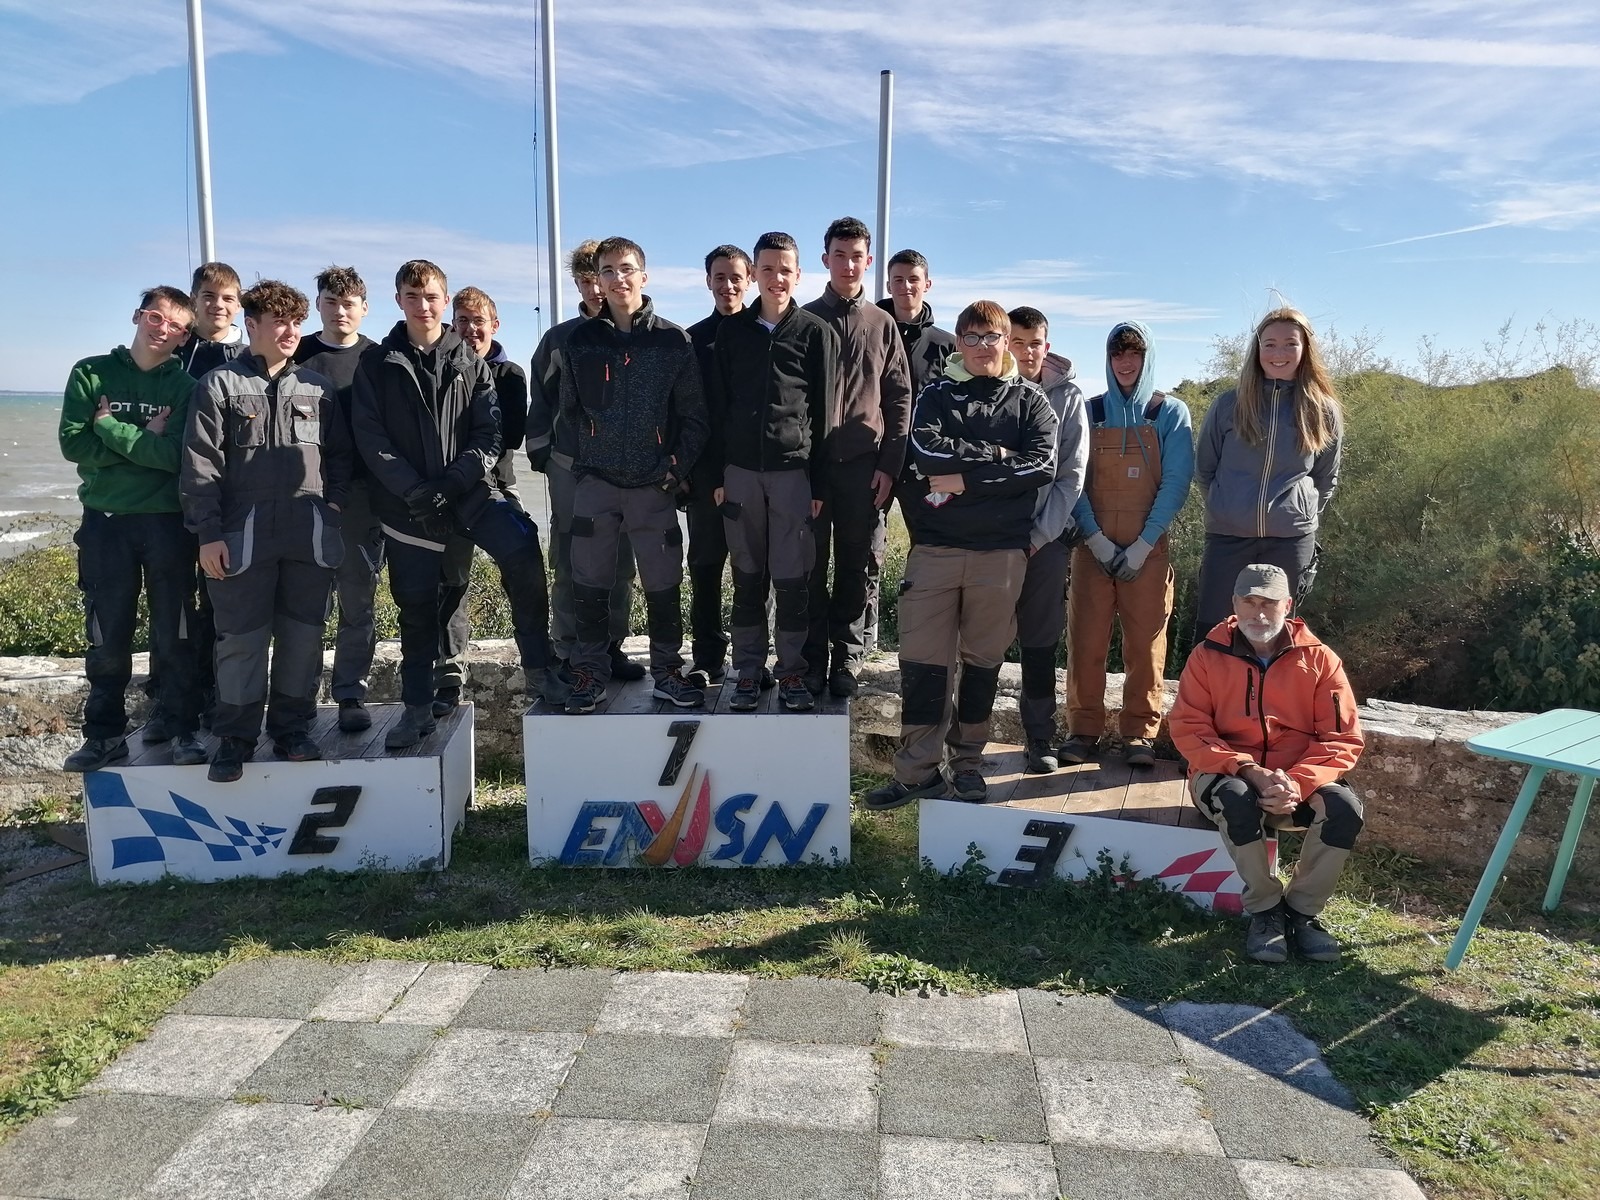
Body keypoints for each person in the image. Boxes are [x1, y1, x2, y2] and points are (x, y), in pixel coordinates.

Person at [351, 259, 556, 749]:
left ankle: (541, 670)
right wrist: (415, 490)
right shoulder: (376, 364)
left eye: (432, 296)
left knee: (523, 549)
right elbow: (370, 436)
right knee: (418, 607)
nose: (424, 305)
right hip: (408, 505)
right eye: (413, 296)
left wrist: (450, 483)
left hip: (468, 492)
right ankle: (417, 707)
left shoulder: (471, 361)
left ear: (446, 301)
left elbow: (489, 434)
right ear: (399, 301)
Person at [864, 301, 1057, 810]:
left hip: (1000, 556)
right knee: (924, 666)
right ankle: (916, 772)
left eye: (991, 337)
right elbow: (927, 456)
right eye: (970, 338)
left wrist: (967, 477)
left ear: (1006, 341)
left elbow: (1039, 467)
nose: (981, 348)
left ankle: (967, 763)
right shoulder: (935, 397)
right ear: (959, 343)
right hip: (935, 551)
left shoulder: (1032, 402)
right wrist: (999, 459)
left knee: (981, 665)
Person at [181, 280, 351, 782]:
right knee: (240, 641)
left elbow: (340, 458)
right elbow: (199, 467)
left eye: (297, 322)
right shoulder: (219, 385)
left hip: (308, 535)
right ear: (250, 326)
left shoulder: (318, 389)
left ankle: (292, 730)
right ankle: (234, 740)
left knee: (304, 637)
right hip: (240, 537)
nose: (291, 331)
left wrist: (333, 506)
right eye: (279, 321)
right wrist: (207, 534)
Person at [1168, 563, 1364, 963]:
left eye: (1269, 603)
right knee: (1238, 799)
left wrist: (1296, 782)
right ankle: (1265, 910)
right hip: (1225, 775)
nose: (1259, 613)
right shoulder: (1206, 657)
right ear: (1235, 603)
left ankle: (1301, 913)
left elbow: (1342, 738)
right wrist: (1248, 769)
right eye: (1250, 601)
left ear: (1288, 605)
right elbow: (1189, 729)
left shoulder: (1322, 660)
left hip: (1295, 783)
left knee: (1345, 809)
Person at [558, 236, 709, 714]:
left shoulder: (673, 340)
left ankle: (667, 670)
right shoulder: (581, 341)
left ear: (644, 276)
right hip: (597, 485)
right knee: (590, 582)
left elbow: (695, 417)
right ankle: (590, 672)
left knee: (662, 582)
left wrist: (674, 469)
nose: (617, 278)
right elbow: (569, 411)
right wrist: (586, 463)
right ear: (597, 280)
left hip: (652, 486)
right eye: (607, 270)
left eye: (626, 269)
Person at [59, 286, 207, 772]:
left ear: (185, 338)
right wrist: (146, 439)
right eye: (155, 317)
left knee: (176, 633)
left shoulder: (184, 389)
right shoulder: (91, 371)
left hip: (167, 523)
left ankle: (183, 728)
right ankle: (103, 736)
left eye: (176, 326)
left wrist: (111, 428)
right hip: (105, 522)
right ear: (138, 316)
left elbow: (175, 460)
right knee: (107, 634)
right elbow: (73, 445)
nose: (162, 329)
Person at [707, 232, 837, 712]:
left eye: (786, 269)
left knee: (792, 579)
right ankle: (747, 671)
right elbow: (717, 408)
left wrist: (819, 484)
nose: (776, 278)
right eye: (768, 269)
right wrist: (718, 477)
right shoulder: (732, 332)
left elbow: (825, 414)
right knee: (746, 576)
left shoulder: (815, 332)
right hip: (740, 473)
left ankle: (793, 673)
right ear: (755, 274)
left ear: (798, 274)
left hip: (793, 477)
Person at [1062, 321, 1193, 768]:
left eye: (1134, 353)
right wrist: (1094, 538)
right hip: (1090, 549)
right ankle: (1082, 730)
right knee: (1086, 642)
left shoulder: (1169, 413)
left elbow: (1176, 483)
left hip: (1148, 551)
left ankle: (1139, 732)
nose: (1125, 361)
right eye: (1117, 352)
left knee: (1145, 644)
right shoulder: (1088, 410)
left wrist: (1142, 544)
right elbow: (1073, 480)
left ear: (1147, 357)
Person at [802, 216, 913, 697]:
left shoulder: (882, 324)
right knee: (806, 567)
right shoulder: (803, 321)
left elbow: (900, 400)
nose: (848, 264)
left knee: (854, 565)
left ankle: (845, 659)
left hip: (864, 470)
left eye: (857, 256)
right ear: (825, 259)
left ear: (868, 261)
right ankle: (807, 660)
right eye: (839, 255)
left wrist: (889, 466)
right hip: (810, 472)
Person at [528, 242, 643, 685]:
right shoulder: (559, 338)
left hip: (626, 470)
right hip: (571, 466)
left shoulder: (637, 333)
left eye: (605, 276)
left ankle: (611, 647)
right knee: (571, 555)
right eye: (589, 279)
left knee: (620, 557)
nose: (598, 287)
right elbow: (540, 399)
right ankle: (568, 647)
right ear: (578, 282)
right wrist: (544, 453)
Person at [1191, 306, 1342, 640]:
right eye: (1269, 343)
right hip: (1228, 538)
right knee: (1216, 633)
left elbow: (1325, 478)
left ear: (1306, 351)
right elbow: (1205, 469)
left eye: (1290, 343)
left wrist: (1296, 514)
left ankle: (1269, 695)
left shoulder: (1323, 410)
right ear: (1257, 349)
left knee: (1274, 635)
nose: (1279, 353)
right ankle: (1210, 695)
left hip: (1290, 542)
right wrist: (1229, 508)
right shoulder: (1228, 405)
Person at [293, 265, 379, 733]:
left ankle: (350, 694)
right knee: (305, 604)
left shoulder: (379, 358)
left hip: (363, 499)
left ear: (363, 308)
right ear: (319, 304)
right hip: (303, 494)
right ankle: (300, 699)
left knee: (356, 601)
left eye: (349, 303)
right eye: (331, 301)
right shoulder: (297, 354)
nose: (340, 311)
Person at [436, 285, 529, 714]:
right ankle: (449, 671)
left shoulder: (509, 374)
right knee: (452, 580)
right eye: (463, 322)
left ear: (494, 325)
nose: (471, 330)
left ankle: (537, 661)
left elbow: (510, 435)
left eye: (478, 322)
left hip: (496, 487)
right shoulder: (441, 369)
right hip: (450, 491)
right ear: (451, 326)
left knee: (524, 565)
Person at [1006, 307, 1090, 773]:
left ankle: (1040, 739)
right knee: (978, 643)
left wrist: (1039, 537)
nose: (1027, 352)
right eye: (1018, 343)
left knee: (1039, 642)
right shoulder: (991, 388)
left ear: (1047, 345)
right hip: (993, 539)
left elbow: (1071, 475)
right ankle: (964, 746)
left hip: (1046, 540)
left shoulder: (1069, 396)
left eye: (1034, 343)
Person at [685, 244, 753, 681]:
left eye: (735, 277)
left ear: (748, 281)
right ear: (707, 280)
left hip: (753, 475)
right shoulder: (690, 339)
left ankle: (752, 660)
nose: (727, 285)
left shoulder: (763, 333)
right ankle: (707, 658)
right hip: (705, 478)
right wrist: (698, 477)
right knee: (705, 567)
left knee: (753, 573)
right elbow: (687, 414)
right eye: (719, 277)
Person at [876, 248, 956, 613]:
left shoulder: (947, 345)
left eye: (913, 279)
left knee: (928, 554)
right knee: (867, 552)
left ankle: (921, 632)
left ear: (928, 284)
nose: (906, 286)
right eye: (898, 280)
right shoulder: (871, 329)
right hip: (875, 462)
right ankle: (865, 641)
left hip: (925, 469)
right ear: (888, 284)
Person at [179, 262, 247, 379]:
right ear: (193, 300)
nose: (219, 305)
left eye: (228, 299)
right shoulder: (171, 354)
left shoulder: (249, 360)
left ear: (238, 305)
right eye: (209, 296)